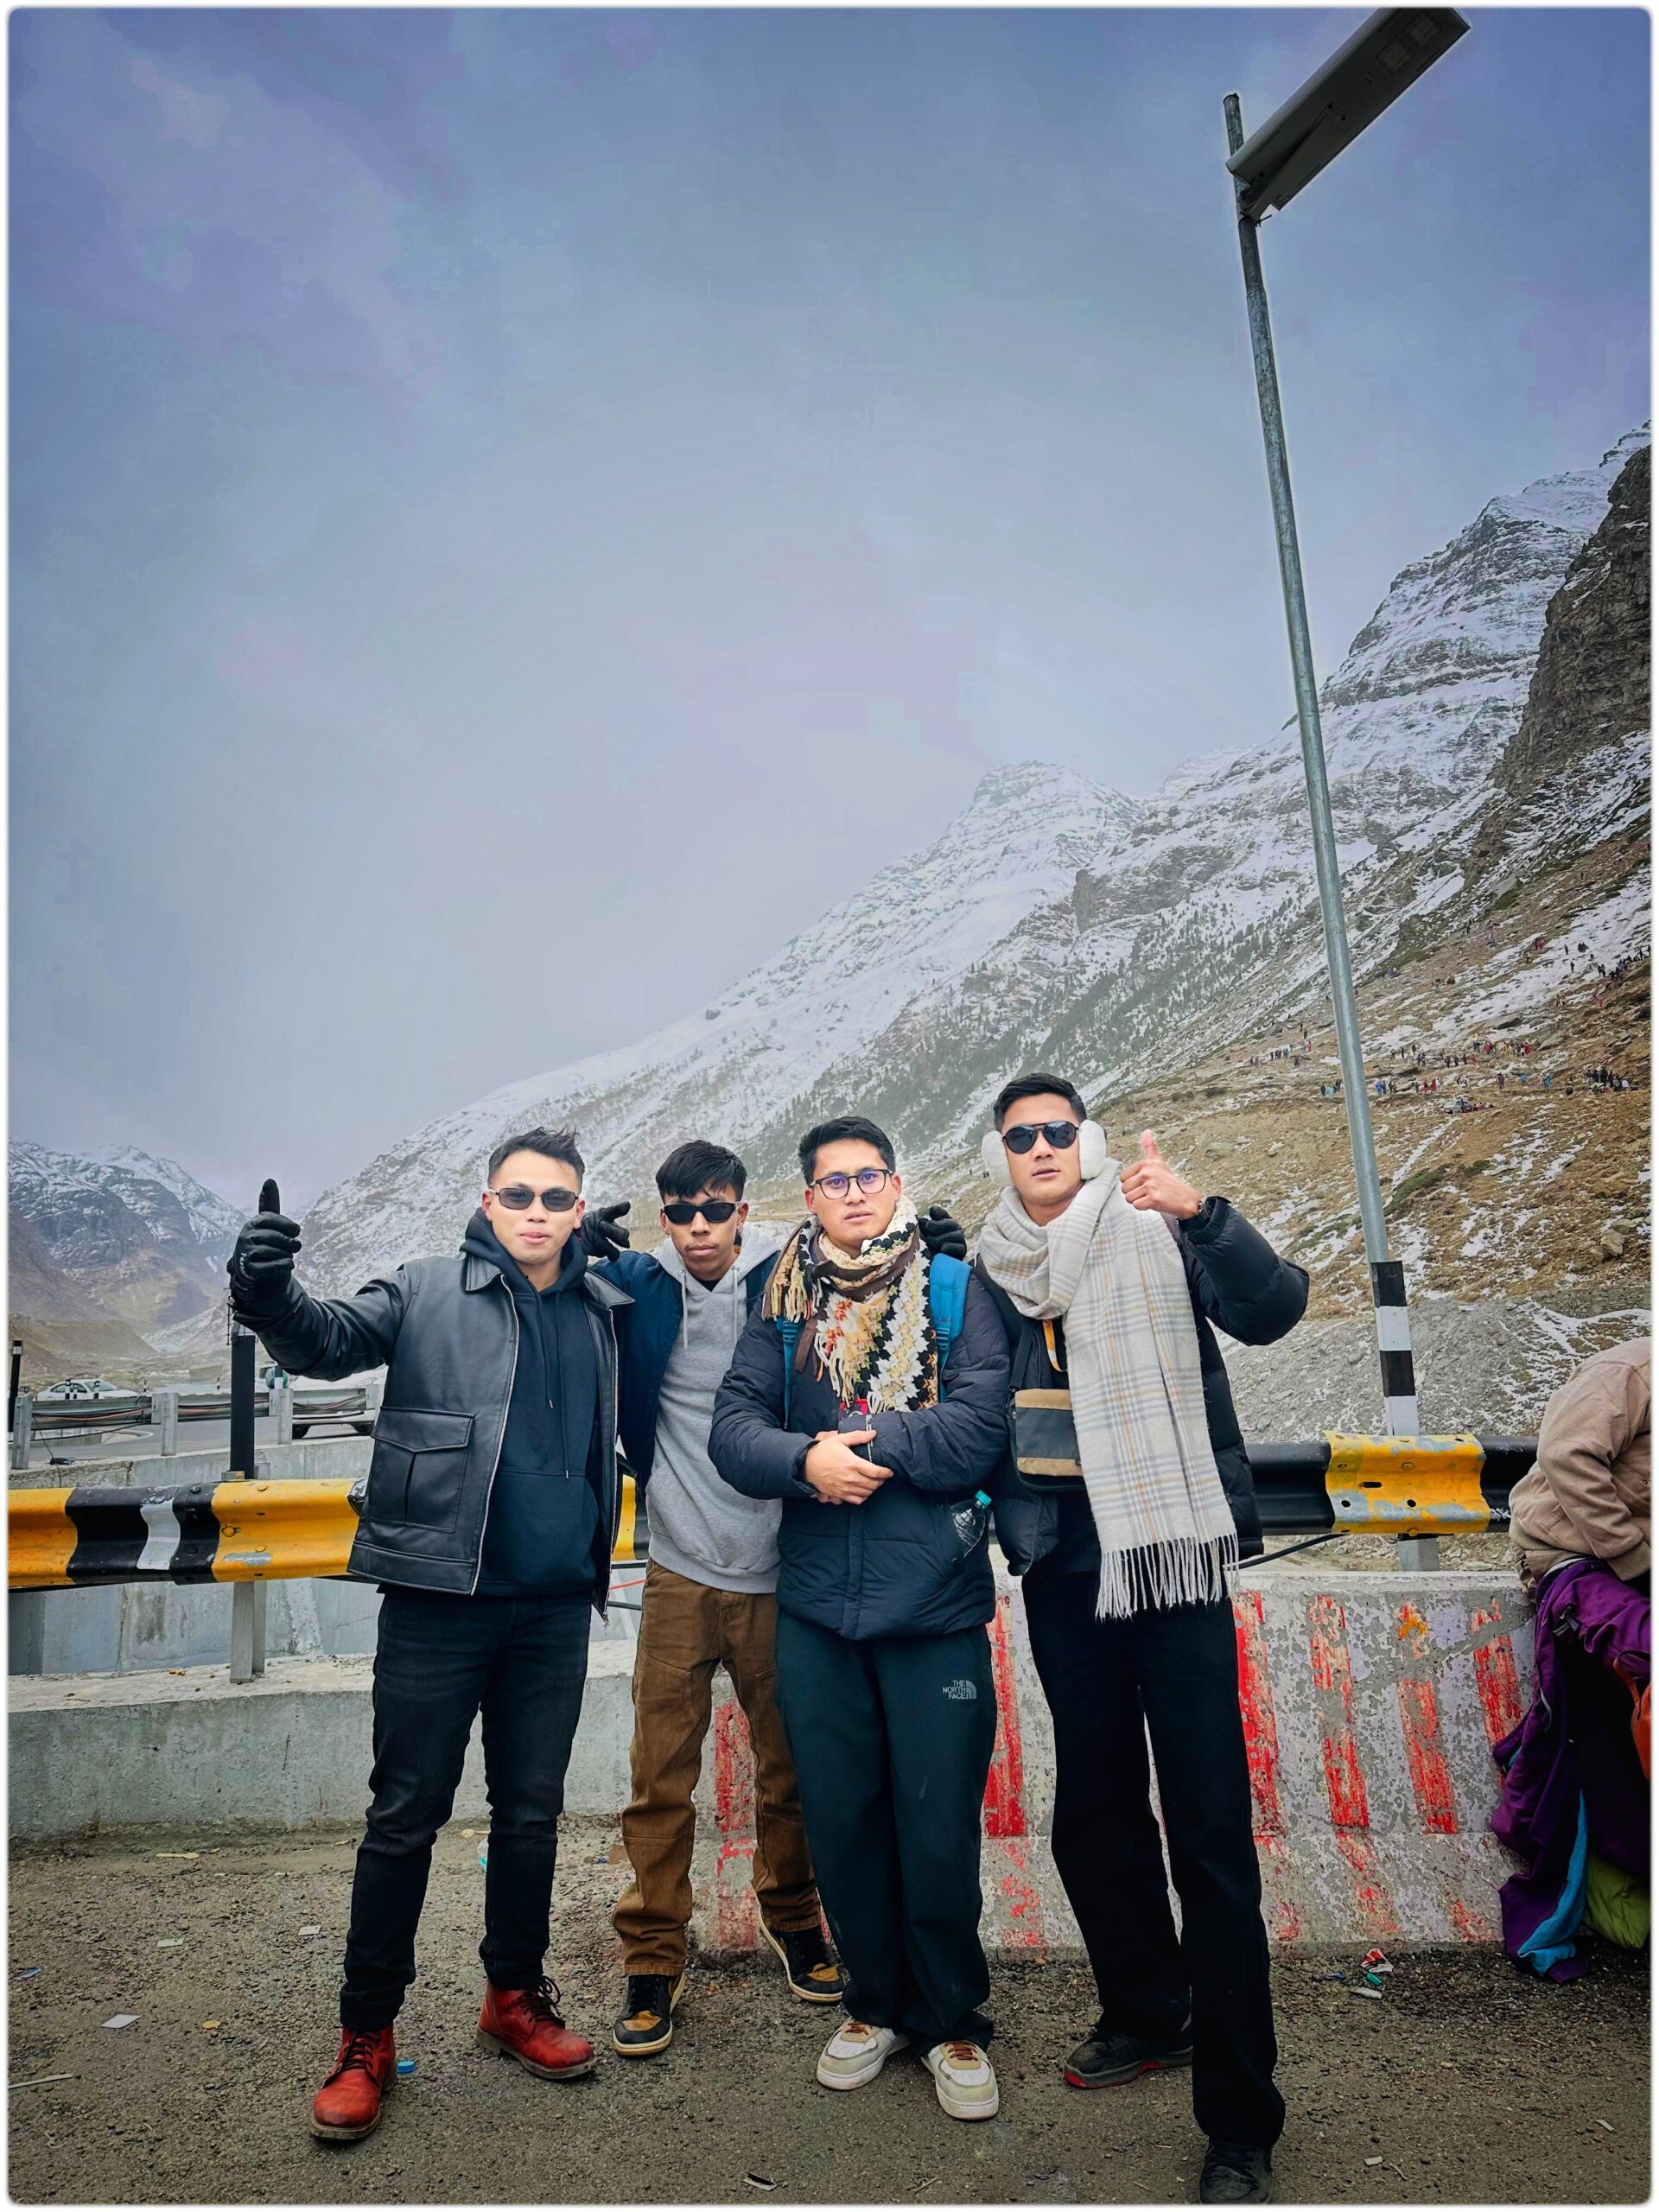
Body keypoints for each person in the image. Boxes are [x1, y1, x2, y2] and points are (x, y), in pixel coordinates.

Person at [229, 1128, 628, 2143]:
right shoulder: (423, 1288)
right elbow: (324, 1341)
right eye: (518, 1194)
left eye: (556, 1198)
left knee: (531, 1816)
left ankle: (513, 1998)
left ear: (579, 1211)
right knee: (404, 1817)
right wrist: (265, 1292)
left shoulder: (600, 1306)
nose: (536, 1211)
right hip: (438, 1600)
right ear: (487, 1202)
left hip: (552, 1609)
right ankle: (365, 2033)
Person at [972, 1074, 1307, 2207]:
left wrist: (1204, 1212)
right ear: (1002, 1154)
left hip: (1173, 1559)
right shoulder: (995, 1265)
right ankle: (1150, 2009)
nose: (1043, 1146)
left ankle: (1240, 2123)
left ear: (1090, 1138)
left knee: (1209, 1831)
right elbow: (975, 1401)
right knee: (1095, 1813)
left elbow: (1273, 1309)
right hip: (1066, 1568)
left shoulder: (1156, 1224)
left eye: (1060, 1130)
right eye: (1022, 1135)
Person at [585, 1138, 965, 2056]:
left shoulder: (788, 1277)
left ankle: (795, 1918)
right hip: (679, 1567)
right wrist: (574, 1254)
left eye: (717, 1210)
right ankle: (652, 1953)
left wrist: (943, 1255)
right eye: (682, 1213)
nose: (700, 1228)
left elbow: (882, 1291)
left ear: (745, 1210)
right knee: (658, 1775)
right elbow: (551, 1293)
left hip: (784, 1568)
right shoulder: (638, 1286)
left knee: (792, 1770)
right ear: (663, 1217)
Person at [709, 1116, 1010, 2122]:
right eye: (832, 1180)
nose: (852, 1192)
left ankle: (953, 2018)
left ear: (895, 1181)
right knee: (841, 1820)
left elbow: (980, 1427)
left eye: (867, 1175)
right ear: (810, 1196)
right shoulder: (781, 1298)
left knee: (936, 1823)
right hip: (817, 1614)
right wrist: (805, 1461)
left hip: (934, 1607)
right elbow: (733, 1430)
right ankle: (875, 2004)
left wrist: (860, 1440)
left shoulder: (955, 1289)